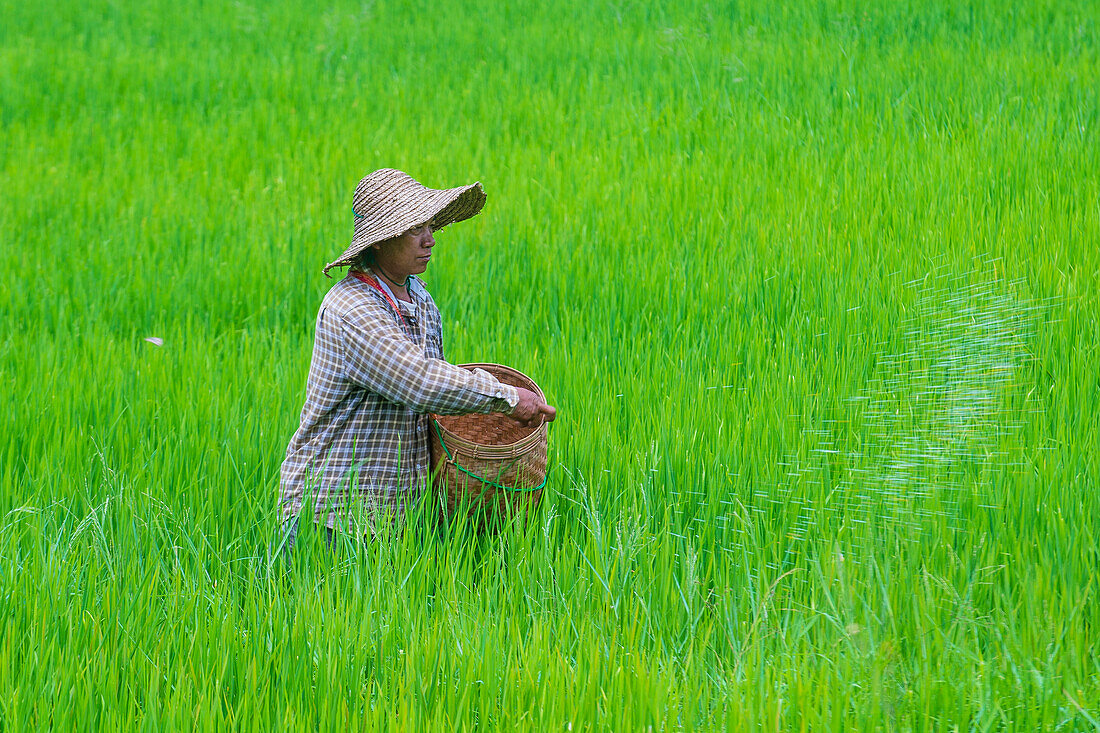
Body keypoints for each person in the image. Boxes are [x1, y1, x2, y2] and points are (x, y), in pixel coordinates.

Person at [274, 168, 556, 556]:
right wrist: (508, 398)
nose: (429, 239)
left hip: (395, 519)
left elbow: (434, 397)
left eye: (429, 226)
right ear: (379, 242)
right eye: (413, 230)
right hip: (330, 517)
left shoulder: (419, 298)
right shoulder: (350, 309)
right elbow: (421, 382)